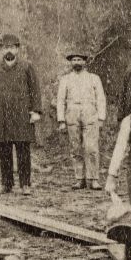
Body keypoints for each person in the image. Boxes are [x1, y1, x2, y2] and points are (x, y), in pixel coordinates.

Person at [0, 34, 43, 196]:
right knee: (4, 151)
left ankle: (25, 184)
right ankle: (6, 184)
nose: (9, 50)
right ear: (2, 50)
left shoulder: (27, 67)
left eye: (12, 47)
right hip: (1, 116)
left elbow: (35, 90)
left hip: (22, 115)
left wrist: (36, 110)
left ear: (17, 49)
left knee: (23, 150)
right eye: (5, 47)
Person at [55, 50, 109, 190]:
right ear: (71, 62)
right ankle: (79, 178)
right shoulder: (65, 79)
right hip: (72, 114)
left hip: (90, 113)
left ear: (85, 62)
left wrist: (101, 117)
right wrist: (61, 120)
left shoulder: (94, 78)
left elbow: (101, 98)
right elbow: (60, 100)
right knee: (76, 147)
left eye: (79, 60)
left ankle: (93, 179)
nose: (77, 62)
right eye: (74, 60)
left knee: (91, 147)